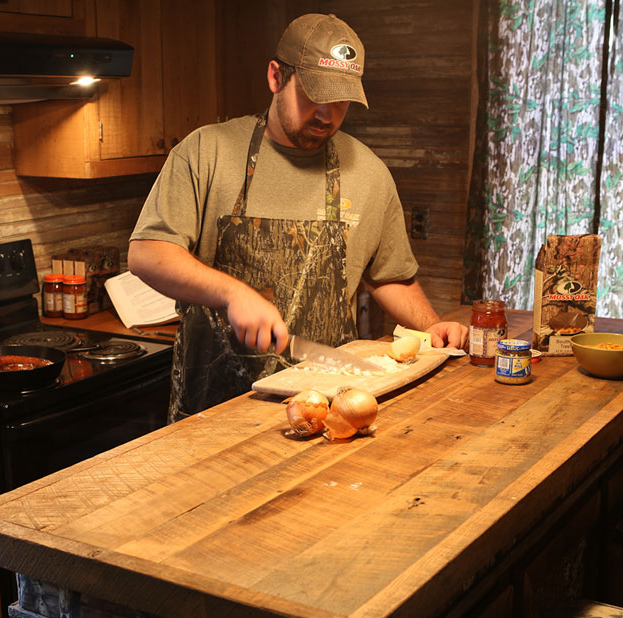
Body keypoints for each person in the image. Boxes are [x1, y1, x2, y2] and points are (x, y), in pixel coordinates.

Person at [127, 13, 467, 421]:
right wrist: (234, 294)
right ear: (275, 76)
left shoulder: (369, 173)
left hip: (324, 410)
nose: (326, 115)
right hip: (212, 411)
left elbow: (390, 275)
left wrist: (430, 328)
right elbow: (148, 253)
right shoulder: (206, 153)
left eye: (340, 102)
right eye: (313, 96)